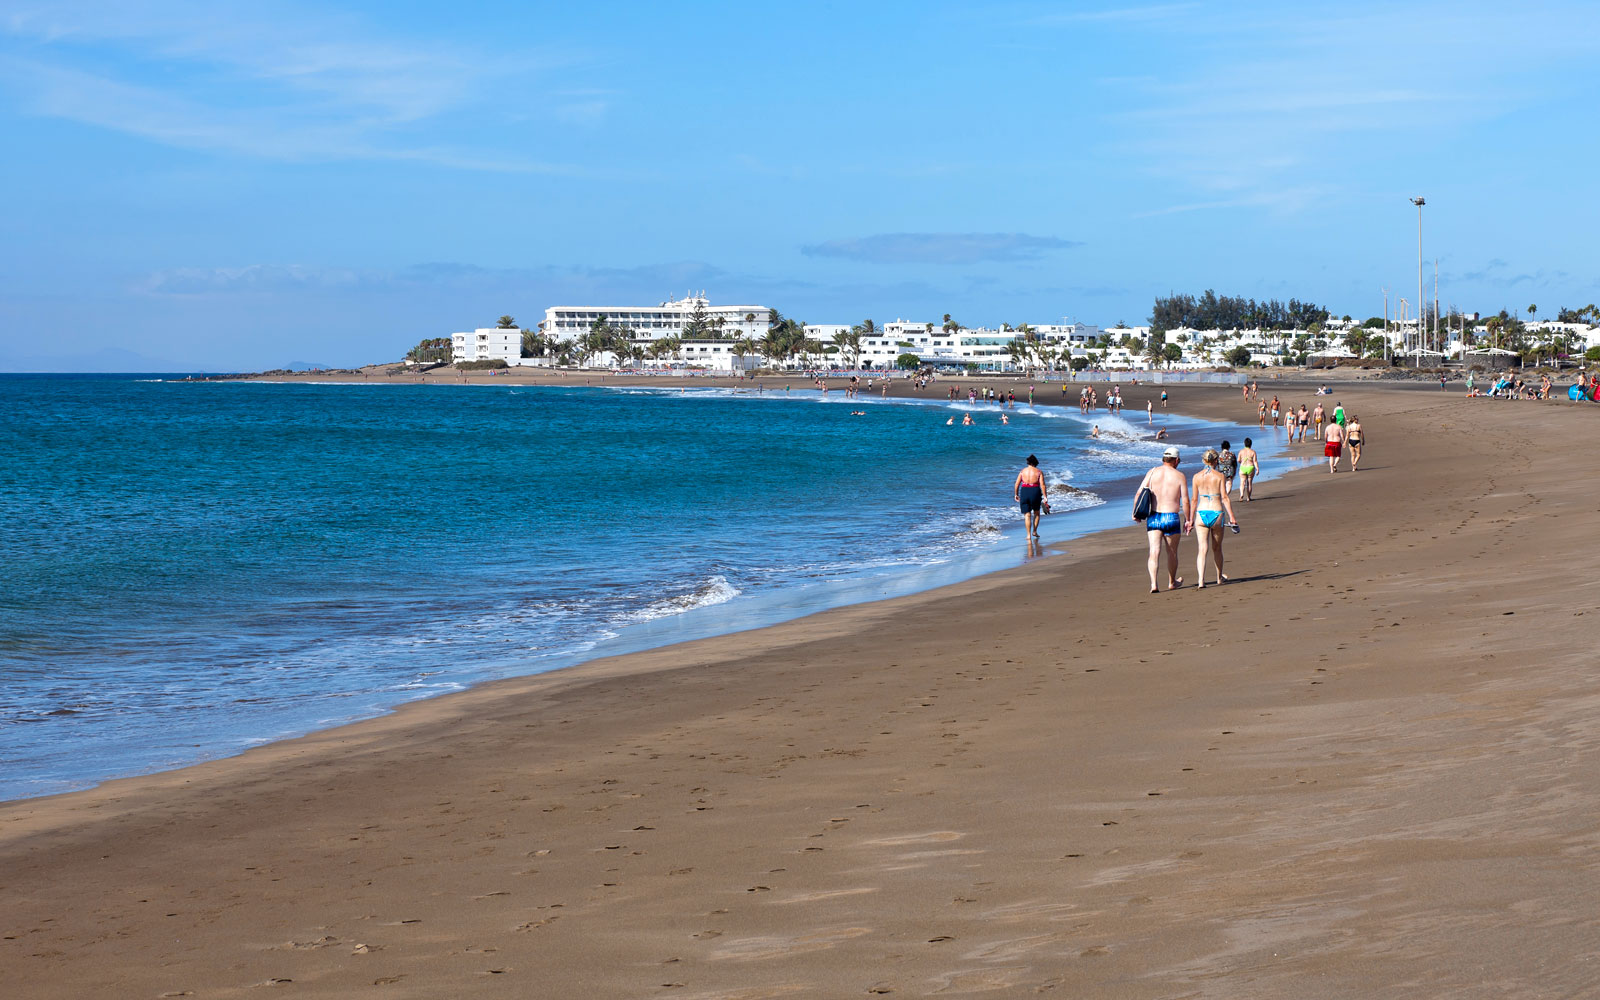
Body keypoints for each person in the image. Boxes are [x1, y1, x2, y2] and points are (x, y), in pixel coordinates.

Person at [1135, 446, 1189, 593]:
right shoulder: (1179, 476)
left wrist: (1135, 513)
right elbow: (1185, 500)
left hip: (1154, 516)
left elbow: (1139, 493)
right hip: (1171, 517)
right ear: (1176, 460)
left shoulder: (1152, 472)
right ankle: (1172, 582)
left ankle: (1154, 584)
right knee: (1172, 552)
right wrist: (1188, 519)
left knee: (1154, 551)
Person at [1187, 449, 1239, 588]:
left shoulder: (1196, 477)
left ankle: (1201, 581)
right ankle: (1219, 578)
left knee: (1202, 549)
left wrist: (1190, 519)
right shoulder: (1220, 476)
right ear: (1216, 460)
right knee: (1217, 548)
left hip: (1201, 513)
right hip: (1217, 513)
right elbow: (1225, 498)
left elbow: (1194, 500)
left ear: (1204, 460)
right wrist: (1232, 517)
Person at [1014, 454, 1048, 539]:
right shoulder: (1039, 472)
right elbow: (1043, 485)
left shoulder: (1022, 471)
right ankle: (1034, 531)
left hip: (1024, 491)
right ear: (1035, 463)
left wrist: (1016, 494)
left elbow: (1017, 484)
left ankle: (1028, 535)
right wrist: (1045, 496)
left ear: (1028, 462)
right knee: (1036, 513)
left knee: (1027, 515)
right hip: (1035, 491)